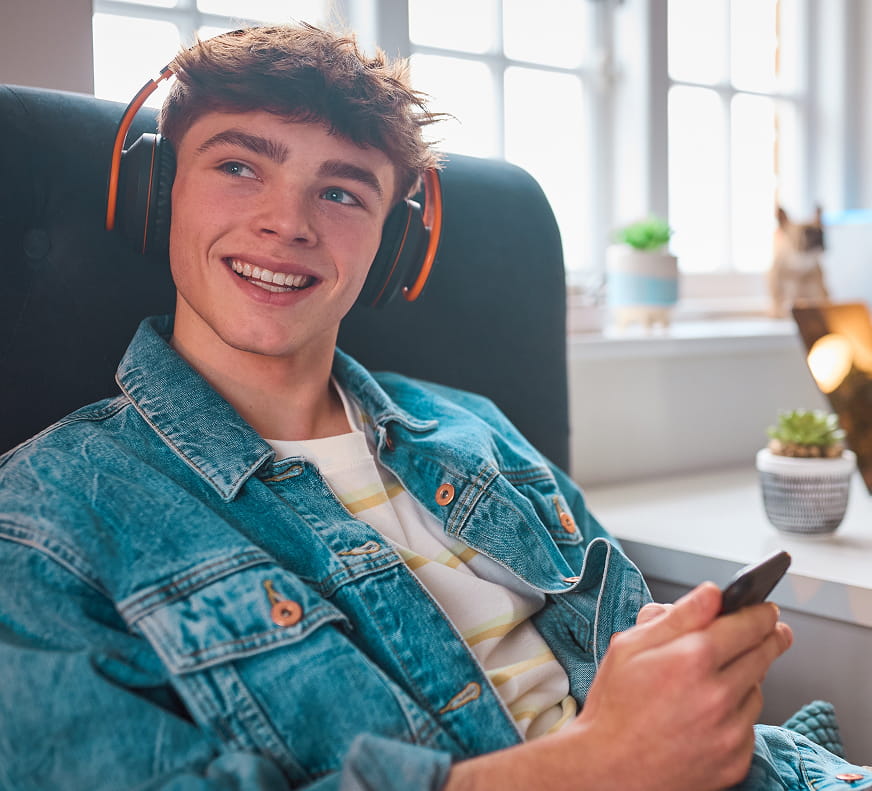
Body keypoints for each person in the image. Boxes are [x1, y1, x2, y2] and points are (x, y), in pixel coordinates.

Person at [0, 23, 868, 791]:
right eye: (238, 166)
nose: (287, 222)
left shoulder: (473, 427)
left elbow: (618, 652)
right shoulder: (47, 515)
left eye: (342, 192)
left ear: (392, 249)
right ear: (160, 191)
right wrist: (596, 765)